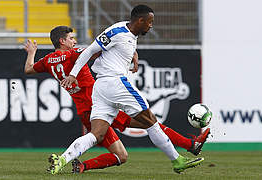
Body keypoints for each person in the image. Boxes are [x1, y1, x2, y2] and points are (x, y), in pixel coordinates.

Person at [23, 26, 210, 174]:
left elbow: (28, 69)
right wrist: (131, 52)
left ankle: (79, 166)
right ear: (62, 41)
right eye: (71, 38)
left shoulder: (48, 61)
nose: (74, 41)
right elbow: (94, 50)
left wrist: (31, 52)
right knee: (150, 122)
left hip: (86, 110)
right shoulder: (73, 54)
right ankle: (190, 145)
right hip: (100, 102)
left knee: (122, 155)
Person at [59, 5, 205, 174]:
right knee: (150, 120)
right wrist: (73, 74)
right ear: (140, 20)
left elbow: (121, 47)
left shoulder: (129, 34)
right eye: (150, 22)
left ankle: (62, 159)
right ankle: (177, 160)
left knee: (97, 134)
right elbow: (91, 50)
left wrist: (133, 55)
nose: (151, 26)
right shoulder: (117, 32)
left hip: (101, 88)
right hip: (115, 83)